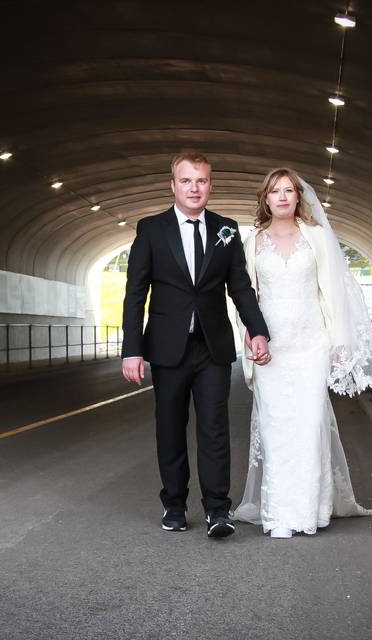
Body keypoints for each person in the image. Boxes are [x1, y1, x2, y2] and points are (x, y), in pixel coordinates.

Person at [121, 151, 271, 538]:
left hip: (212, 347)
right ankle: (173, 504)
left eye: (201, 180)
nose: (194, 188)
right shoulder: (151, 229)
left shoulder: (226, 229)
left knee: (215, 429)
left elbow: (239, 286)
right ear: (173, 185)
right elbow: (135, 292)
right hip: (167, 349)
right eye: (186, 181)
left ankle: (217, 510)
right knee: (169, 429)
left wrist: (257, 330)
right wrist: (132, 349)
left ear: (211, 185)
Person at [233, 168, 372, 538]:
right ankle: (280, 514)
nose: (282, 197)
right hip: (271, 349)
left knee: (311, 425)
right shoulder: (253, 241)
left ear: (299, 197)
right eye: (275, 191)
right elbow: (244, 297)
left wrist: (339, 342)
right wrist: (249, 335)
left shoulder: (316, 237)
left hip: (312, 343)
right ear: (265, 198)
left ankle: (313, 509)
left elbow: (334, 290)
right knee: (276, 429)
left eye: (289, 190)